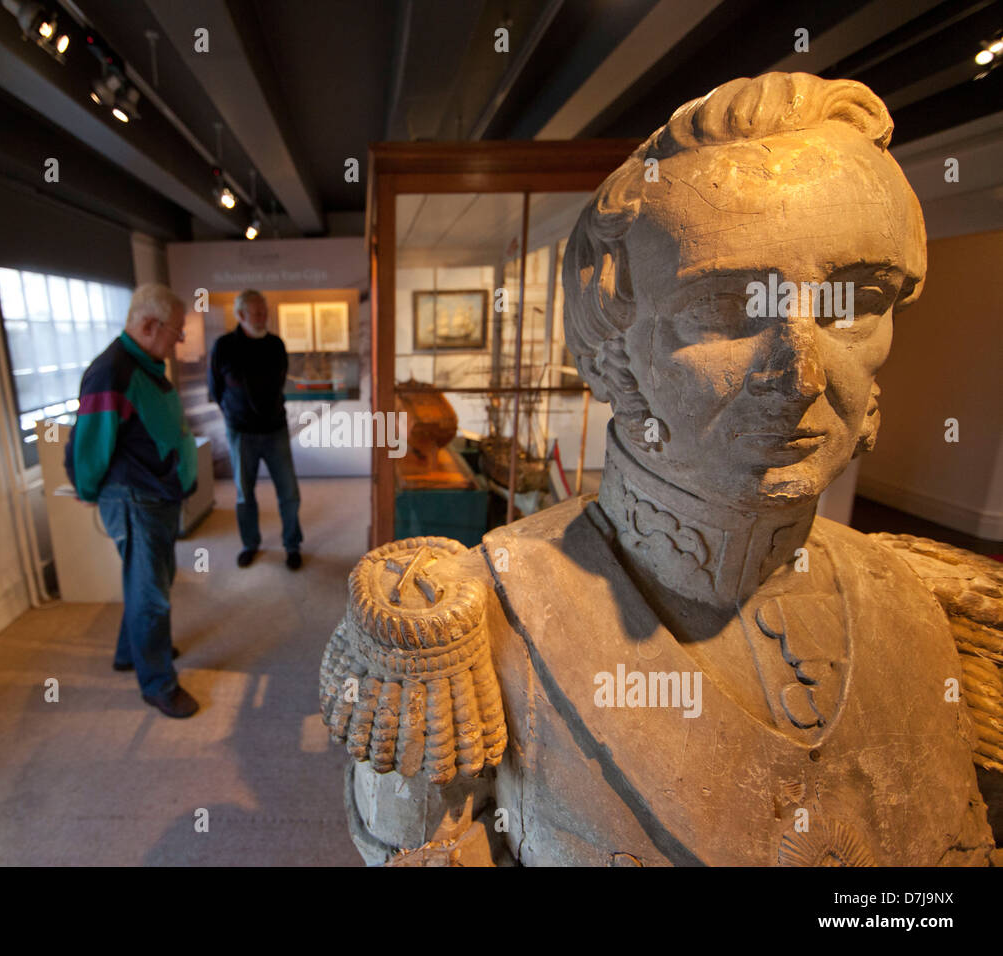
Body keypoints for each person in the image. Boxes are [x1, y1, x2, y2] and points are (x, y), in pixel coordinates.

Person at [320, 72, 1001, 865]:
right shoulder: (470, 629)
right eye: (725, 308)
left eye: (853, 300)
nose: (807, 372)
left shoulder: (934, 611)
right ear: (616, 352)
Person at [65, 283, 199, 719]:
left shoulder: (140, 362)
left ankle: (131, 652)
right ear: (147, 325)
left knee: (149, 579)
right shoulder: (111, 372)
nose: (178, 343)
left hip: (153, 492)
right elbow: (89, 443)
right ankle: (158, 683)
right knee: (150, 594)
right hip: (135, 497)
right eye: (175, 333)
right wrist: (87, 489)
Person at [209, 289, 304, 570]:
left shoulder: (276, 344)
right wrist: (233, 418)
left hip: (275, 429)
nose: (263, 317)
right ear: (240, 315)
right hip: (241, 432)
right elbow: (215, 389)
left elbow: (279, 382)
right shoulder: (224, 346)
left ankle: (292, 544)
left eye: (265, 312)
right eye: (257, 313)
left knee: (289, 491)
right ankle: (250, 543)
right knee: (244, 493)